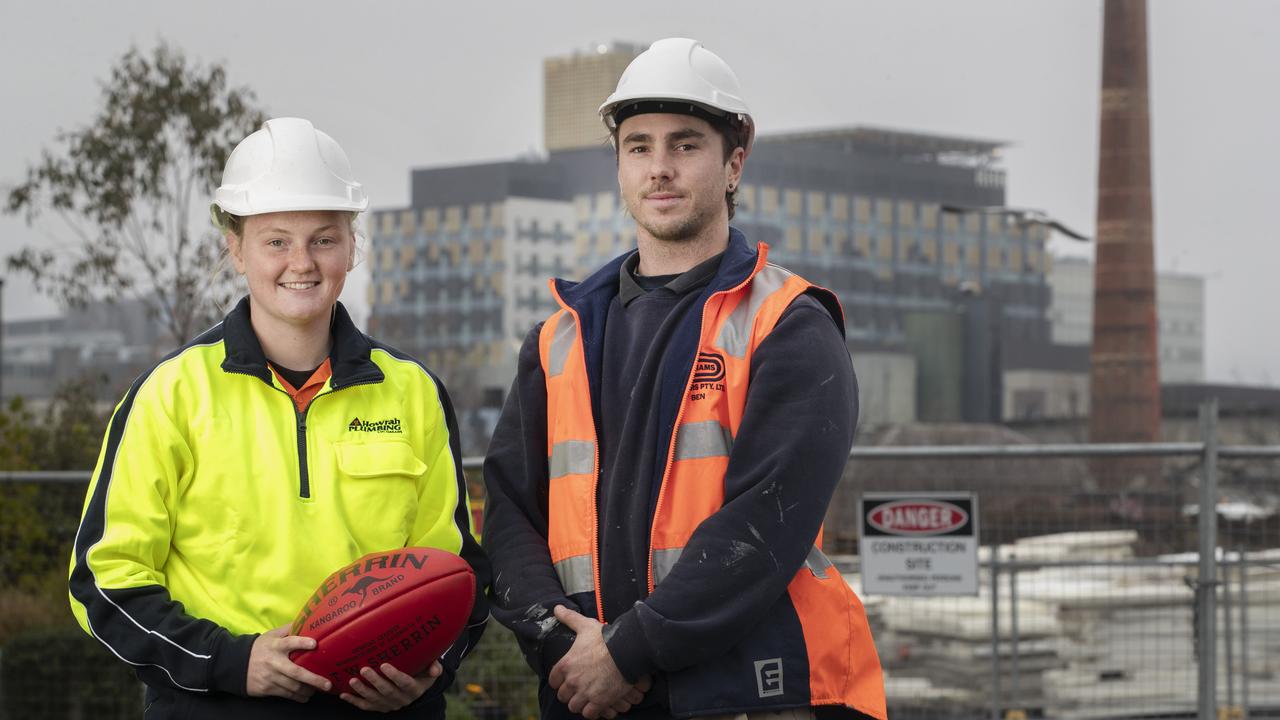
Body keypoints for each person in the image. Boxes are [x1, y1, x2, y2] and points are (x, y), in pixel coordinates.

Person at [483, 38, 886, 720]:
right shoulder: (559, 339)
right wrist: (559, 646)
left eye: (685, 145)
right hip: (588, 694)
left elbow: (765, 526)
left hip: (750, 695)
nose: (660, 168)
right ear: (618, 166)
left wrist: (626, 653)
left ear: (734, 162)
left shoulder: (788, 326)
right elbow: (509, 513)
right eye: (638, 146)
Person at [67, 117, 490, 719]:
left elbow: (457, 571)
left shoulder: (412, 392)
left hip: (381, 709)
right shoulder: (170, 395)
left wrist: (430, 667)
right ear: (235, 248)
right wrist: (230, 662)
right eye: (275, 241)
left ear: (351, 247)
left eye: (324, 238)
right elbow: (103, 579)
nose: (302, 262)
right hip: (219, 705)